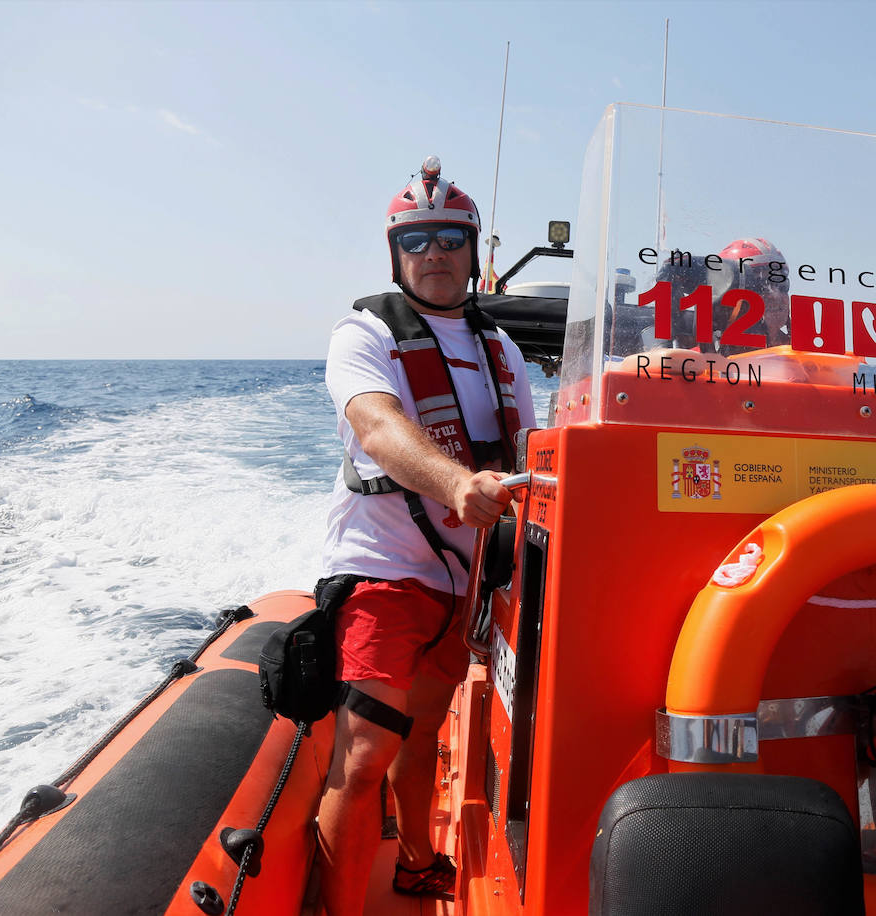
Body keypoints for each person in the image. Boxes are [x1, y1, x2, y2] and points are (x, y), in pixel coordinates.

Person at [314, 156, 536, 915]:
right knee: (369, 750)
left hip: (463, 582)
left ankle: (415, 861)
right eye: (417, 240)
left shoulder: (501, 350)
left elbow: (534, 458)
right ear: (396, 253)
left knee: (424, 737)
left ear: (473, 252)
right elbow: (376, 426)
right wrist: (455, 485)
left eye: (449, 237)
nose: (434, 252)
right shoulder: (363, 333)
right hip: (383, 566)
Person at [709, 237, 791, 353]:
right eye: (760, 285)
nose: (774, 295)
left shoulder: (808, 361)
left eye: (781, 284)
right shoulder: (697, 364)